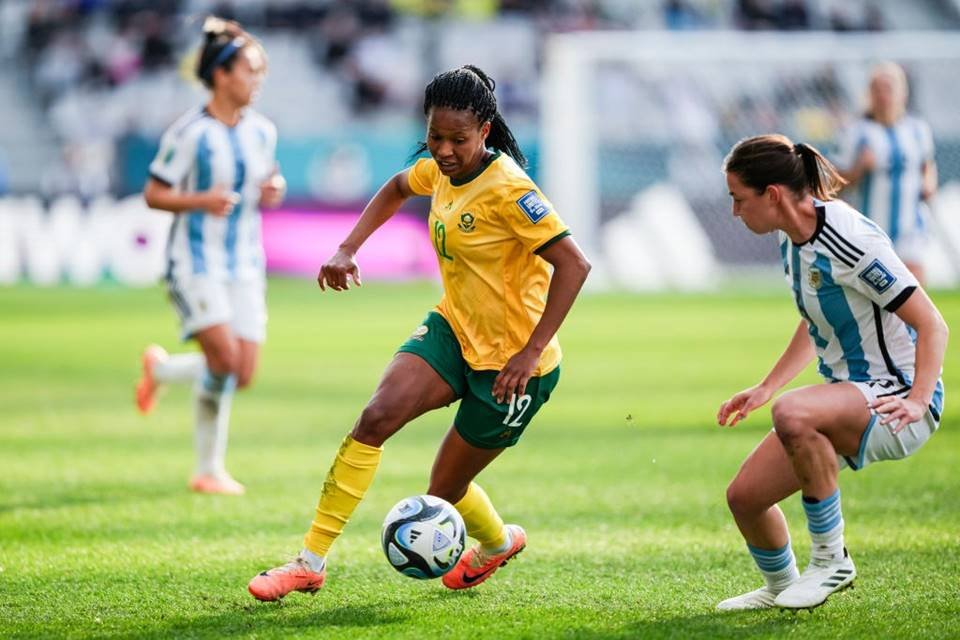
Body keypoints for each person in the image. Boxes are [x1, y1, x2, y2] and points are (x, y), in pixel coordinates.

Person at [247, 65, 591, 601]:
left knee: (443, 493)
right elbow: (396, 186)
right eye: (435, 136)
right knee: (375, 418)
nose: (445, 150)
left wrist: (530, 351)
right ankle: (309, 562)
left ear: (485, 130)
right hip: (454, 329)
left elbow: (575, 265)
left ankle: (498, 544)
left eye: (458, 139)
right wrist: (347, 248)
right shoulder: (437, 170)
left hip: (513, 368)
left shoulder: (511, 190)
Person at [716, 134, 947, 611]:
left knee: (796, 413)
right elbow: (817, 316)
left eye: (739, 199)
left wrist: (919, 400)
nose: (735, 212)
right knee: (744, 497)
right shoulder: (792, 237)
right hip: (848, 395)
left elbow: (932, 323)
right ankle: (782, 586)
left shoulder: (849, 239)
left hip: (896, 399)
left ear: (773, 195)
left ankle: (831, 561)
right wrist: (766, 386)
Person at [136, 17, 285, 495]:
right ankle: (208, 470)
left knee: (242, 372)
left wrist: (272, 188)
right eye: (249, 70)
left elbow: (269, 178)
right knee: (222, 360)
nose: (257, 80)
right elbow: (154, 194)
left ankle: (160, 370)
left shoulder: (263, 131)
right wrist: (201, 200)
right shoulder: (190, 133)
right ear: (221, 75)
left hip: (245, 262)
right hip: (195, 261)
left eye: (260, 71)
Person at [835, 62, 938, 284]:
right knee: (878, 298)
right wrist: (859, 168)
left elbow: (927, 165)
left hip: (911, 226)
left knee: (915, 287)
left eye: (888, 88)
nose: (882, 95)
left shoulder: (918, 130)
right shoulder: (856, 132)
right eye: (876, 89)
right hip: (872, 228)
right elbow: (837, 184)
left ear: (903, 92)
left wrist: (929, 184)